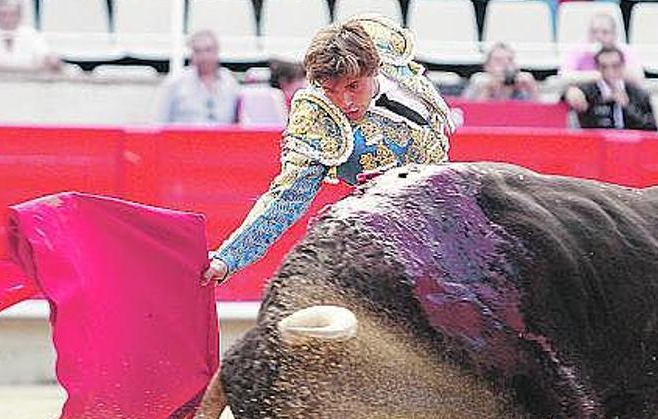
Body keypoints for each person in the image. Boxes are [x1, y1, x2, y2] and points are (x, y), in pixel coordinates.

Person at [202, 14, 455, 285]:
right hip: (386, 233)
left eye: (353, 86)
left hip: (443, 206)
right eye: (331, 90)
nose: (345, 101)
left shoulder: (389, 56)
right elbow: (287, 197)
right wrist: (228, 258)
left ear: (374, 68)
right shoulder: (317, 116)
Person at [154, 30, 241, 125]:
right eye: (197, 51)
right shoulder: (174, 83)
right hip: (183, 139)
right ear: (191, 54)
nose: (204, 56)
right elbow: (159, 123)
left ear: (217, 51)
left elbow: (239, 123)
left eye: (208, 50)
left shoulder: (231, 83)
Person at [562, 46, 658, 131]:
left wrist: (627, 107)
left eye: (615, 66)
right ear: (597, 68)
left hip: (630, 147)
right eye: (604, 67)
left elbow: (651, 129)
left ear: (623, 66)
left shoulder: (638, 94)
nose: (610, 72)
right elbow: (564, 99)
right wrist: (569, 92)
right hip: (597, 147)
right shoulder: (588, 92)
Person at [0, 0, 62, 73]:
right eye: (3, 14)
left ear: (20, 16)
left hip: (26, 86)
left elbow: (47, 58)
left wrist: (52, 61)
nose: (7, 20)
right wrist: (34, 68)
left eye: (12, 14)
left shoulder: (30, 33)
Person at [558, 13, 644, 86]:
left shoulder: (624, 50)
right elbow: (563, 76)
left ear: (614, 35)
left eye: (605, 32)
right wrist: (598, 75)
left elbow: (638, 77)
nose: (598, 37)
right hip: (587, 91)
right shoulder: (578, 49)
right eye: (594, 32)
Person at [462, 42, 539, 101]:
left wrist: (532, 88)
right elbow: (470, 114)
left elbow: (540, 114)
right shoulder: (478, 83)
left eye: (510, 60)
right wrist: (485, 91)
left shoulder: (523, 88)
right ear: (487, 67)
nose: (505, 65)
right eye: (498, 61)